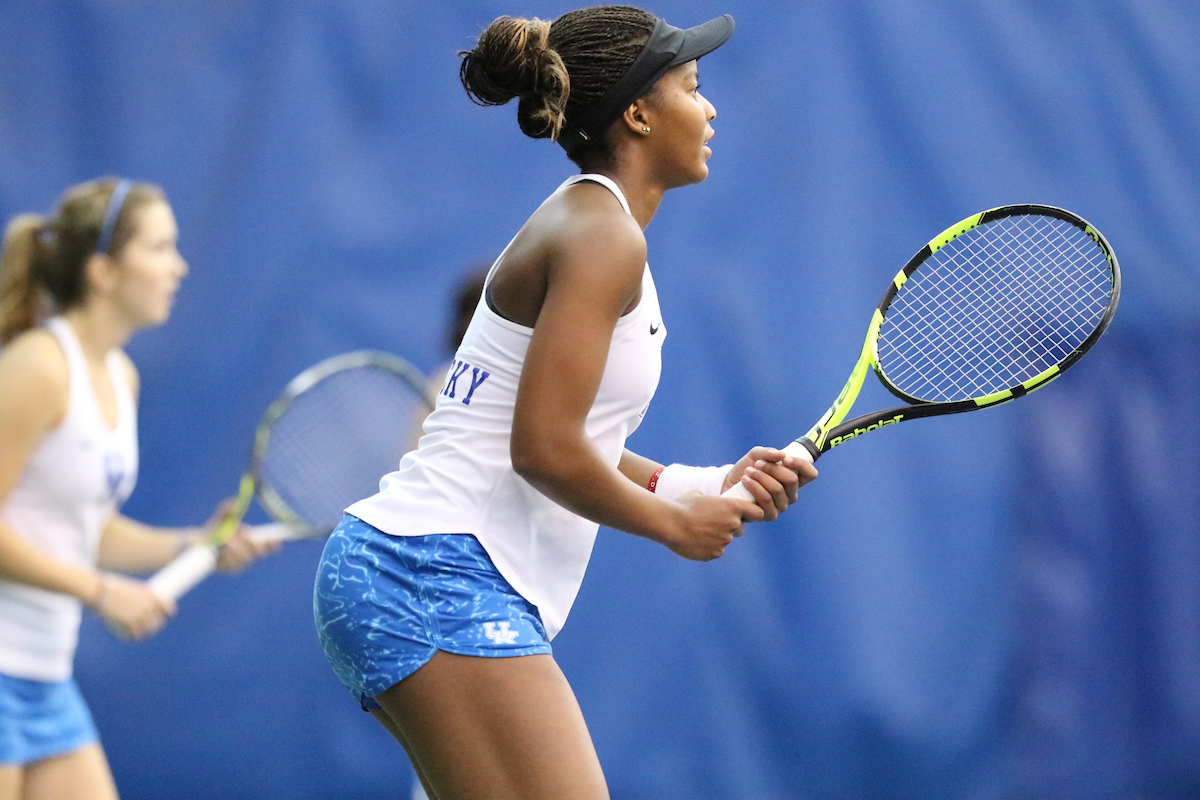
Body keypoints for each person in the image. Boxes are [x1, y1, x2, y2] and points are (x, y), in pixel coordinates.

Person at [313, 8, 818, 799]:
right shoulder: (601, 237)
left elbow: (571, 431)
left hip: (410, 570)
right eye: (692, 86)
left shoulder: (595, 226)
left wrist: (697, 484)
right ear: (639, 113)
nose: (710, 107)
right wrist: (673, 526)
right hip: (432, 570)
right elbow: (542, 449)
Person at [0, 177, 277, 800]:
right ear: (102, 271)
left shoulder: (120, 377)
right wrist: (101, 593)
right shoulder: (38, 367)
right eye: (159, 247)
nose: (178, 266)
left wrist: (193, 544)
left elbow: (84, 528)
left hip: (44, 677)